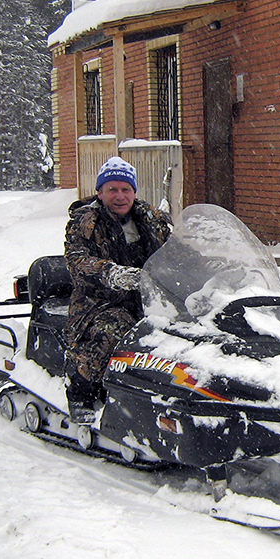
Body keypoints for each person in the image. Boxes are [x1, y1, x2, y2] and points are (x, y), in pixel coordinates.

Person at [63, 156, 171, 423]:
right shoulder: (85, 222)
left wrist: (209, 263)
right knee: (116, 330)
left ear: (134, 192)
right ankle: (81, 391)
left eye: (126, 189)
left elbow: (176, 250)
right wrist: (112, 273)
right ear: (100, 192)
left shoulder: (152, 219)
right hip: (98, 302)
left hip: (149, 297)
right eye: (112, 189)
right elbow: (77, 261)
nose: (120, 196)